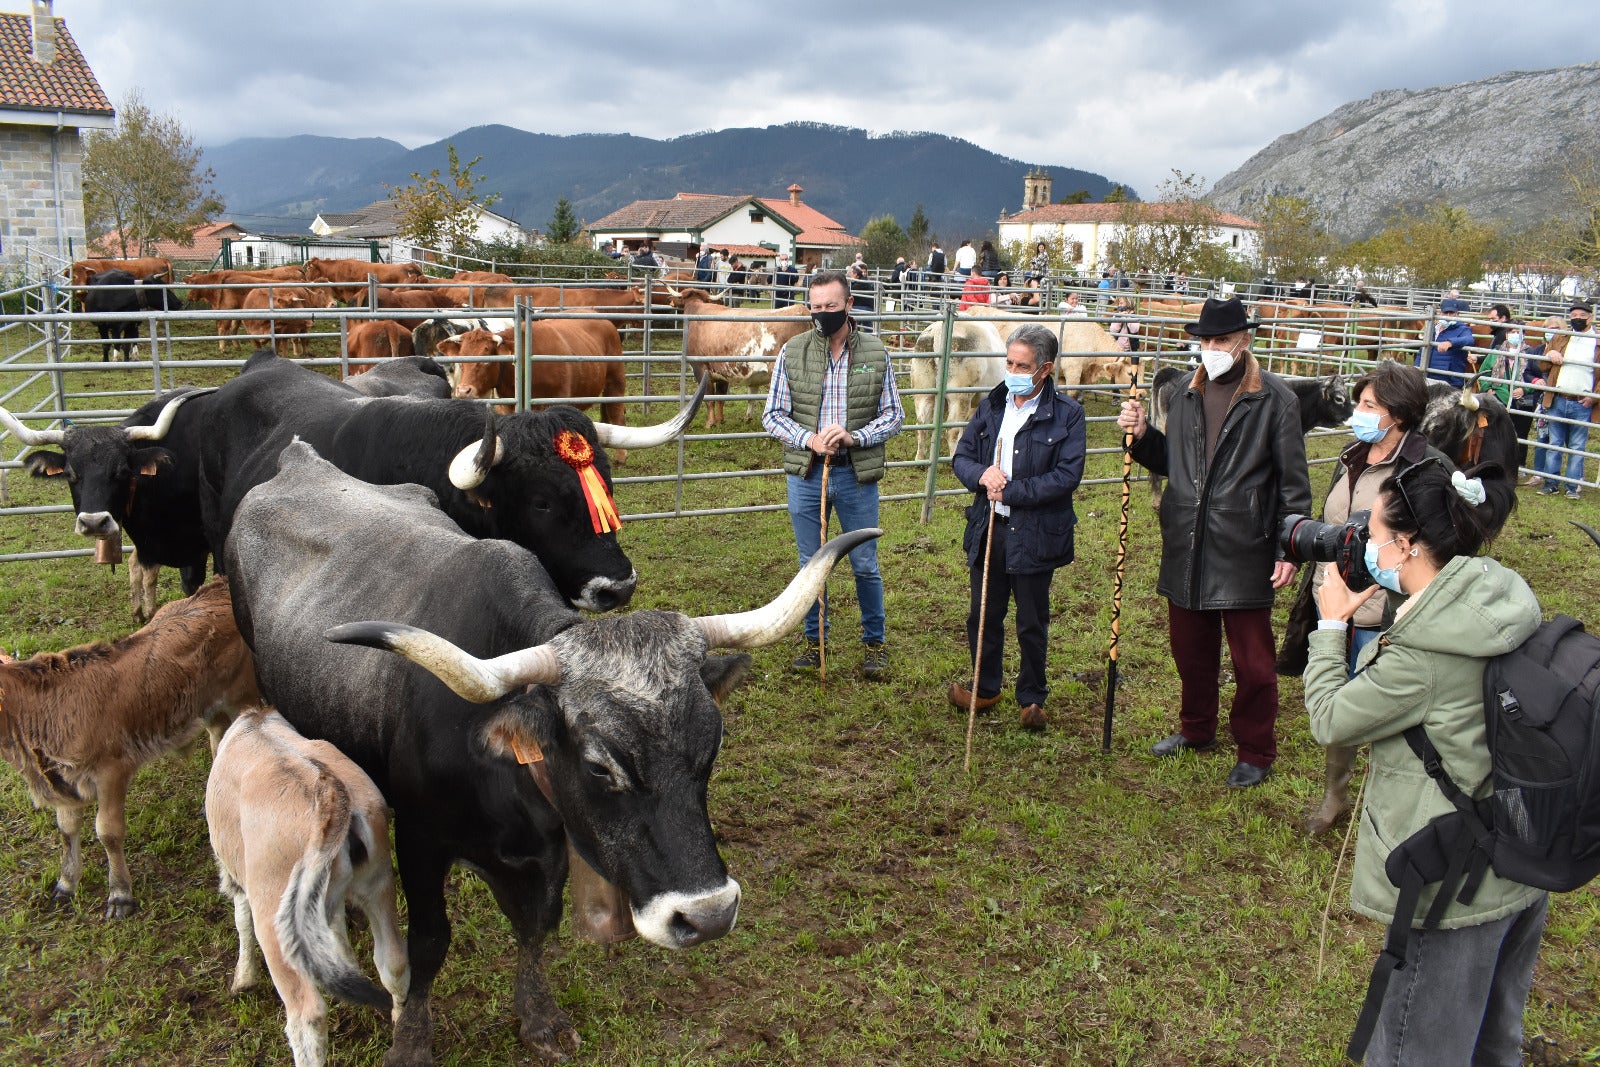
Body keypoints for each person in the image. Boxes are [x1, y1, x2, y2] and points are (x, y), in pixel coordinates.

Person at [1306, 459, 1544, 1065]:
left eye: (1377, 536)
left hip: (1451, 885)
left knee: (1418, 1050)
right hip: (1515, 858)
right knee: (1494, 1042)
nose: (1368, 547)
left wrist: (1332, 624)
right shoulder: (1494, 593)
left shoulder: (1425, 653)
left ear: (1408, 545)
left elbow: (1331, 718)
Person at [1117, 296, 1312, 788]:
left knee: (1253, 662)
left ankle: (1255, 748)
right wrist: (1142, 437)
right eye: (1204, 340)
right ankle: (1197, 728)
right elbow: (1176, 464)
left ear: (1244, 340)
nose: (1211, 348)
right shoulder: (1183, 392)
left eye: (1220, 340)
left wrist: (1288, 547)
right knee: (1190, 649)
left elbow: (1293, 485)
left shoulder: (1276, 400)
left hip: (1245, 543)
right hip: (1187, 540)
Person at [1290, 362, 1453, 835]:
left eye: (1368, 406)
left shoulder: (1428, 469)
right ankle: (1334, 796)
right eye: (1359, 403)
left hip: (1391, 613)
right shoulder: (1351, 456)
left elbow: (1439, 545)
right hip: (1338, 603)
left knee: (1393, 710)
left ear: (1398, 415)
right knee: (1342, 704)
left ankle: (1394, 803)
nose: (1357, 413)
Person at [762, 270, 904, 679]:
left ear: (849, 305)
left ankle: (874, 644)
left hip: (855, 476)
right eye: (816, 306)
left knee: (864, 563)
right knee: (811, 564)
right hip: (807, 474)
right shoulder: (793, 351)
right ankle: (813, 640)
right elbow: (772, 415)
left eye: (830, 306)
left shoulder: (876, 353)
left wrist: (856, 436)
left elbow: (894, 415)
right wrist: (808, 439)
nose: (822, 314)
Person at [949, 324, 1086, 731]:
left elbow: (1066, 476)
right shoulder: (993, 405)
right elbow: (962, 457)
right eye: (1009, 362)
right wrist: (981, 476)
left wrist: (1011, 492)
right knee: (983, 614)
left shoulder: (1068, 415)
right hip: (989, 527)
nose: (1012, 371)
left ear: (1045, 369)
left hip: (1036, 533)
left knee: (1031, 619)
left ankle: (1031, 697)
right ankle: (985, 686)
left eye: (1021, 365)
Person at [1537, 301, 1595, 498]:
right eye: (1574, 315)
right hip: (1558, 398)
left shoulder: (1596, 341)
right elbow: (1542, 366)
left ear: (1591, 317)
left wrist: (1593, 398)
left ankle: (1572, 487)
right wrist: (1550, 353)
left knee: (1578, 446)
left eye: (1582, 315)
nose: (1577, 318)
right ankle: (1550, 483)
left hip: (1582, 401)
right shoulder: (1561, 337)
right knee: (1554, 443)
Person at [1423, 297, 1475, 386]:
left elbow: (1469, 339)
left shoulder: (1462, 329)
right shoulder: (1433, 328)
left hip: (1450, 378)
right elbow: (1423, 350)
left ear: (1457, 314)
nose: (1448, 316)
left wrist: (1450, 342)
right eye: (1445, 312)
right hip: (1430, 375)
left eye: (1451, 313)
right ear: (1440, 313)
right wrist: (1418, 369)